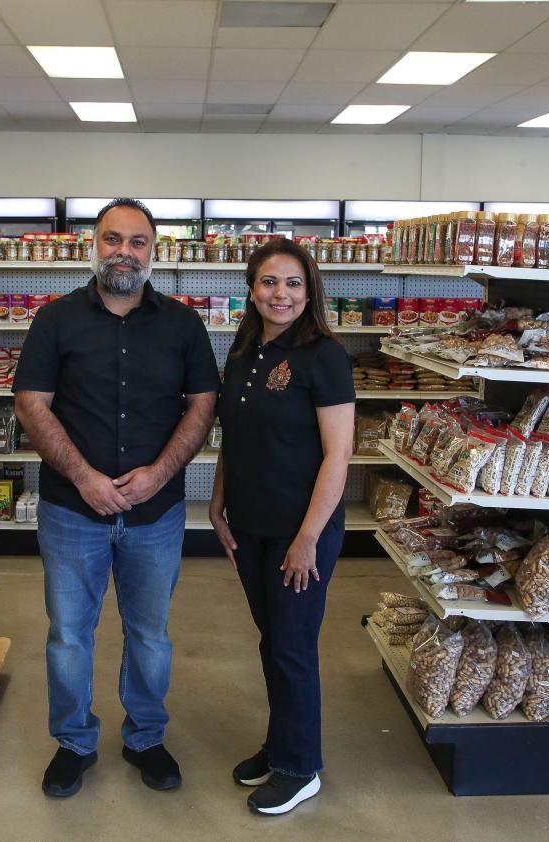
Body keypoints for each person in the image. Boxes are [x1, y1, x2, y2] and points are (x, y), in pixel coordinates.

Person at [14, 198, 220, 799]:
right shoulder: (54, 320)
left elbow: (202, 405)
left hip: (155, 514)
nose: (123, 251)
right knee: (69, 635)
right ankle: (73, 742)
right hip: (71, 510)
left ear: (153, 251)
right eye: (112, 239)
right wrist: (83, 477)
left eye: (136, 241)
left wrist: (157, 474)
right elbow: (31, 403)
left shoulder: (183, 324)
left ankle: (145, 738)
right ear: (93, 245)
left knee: (150, 634)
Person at [208, 238, 355, 815]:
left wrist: (307, 539)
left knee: (293, 646)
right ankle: (279, 745)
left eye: (293, 283)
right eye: (270, 282)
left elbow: (337, 456)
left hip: (303, 531)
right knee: (273, 641)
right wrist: (218, 504)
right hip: (251, 526)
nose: (281, 294)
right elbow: (235, 438)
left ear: (309, 290)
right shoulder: (243, 351)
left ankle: (301, 767)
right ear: (251, 289)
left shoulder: (325, 356)